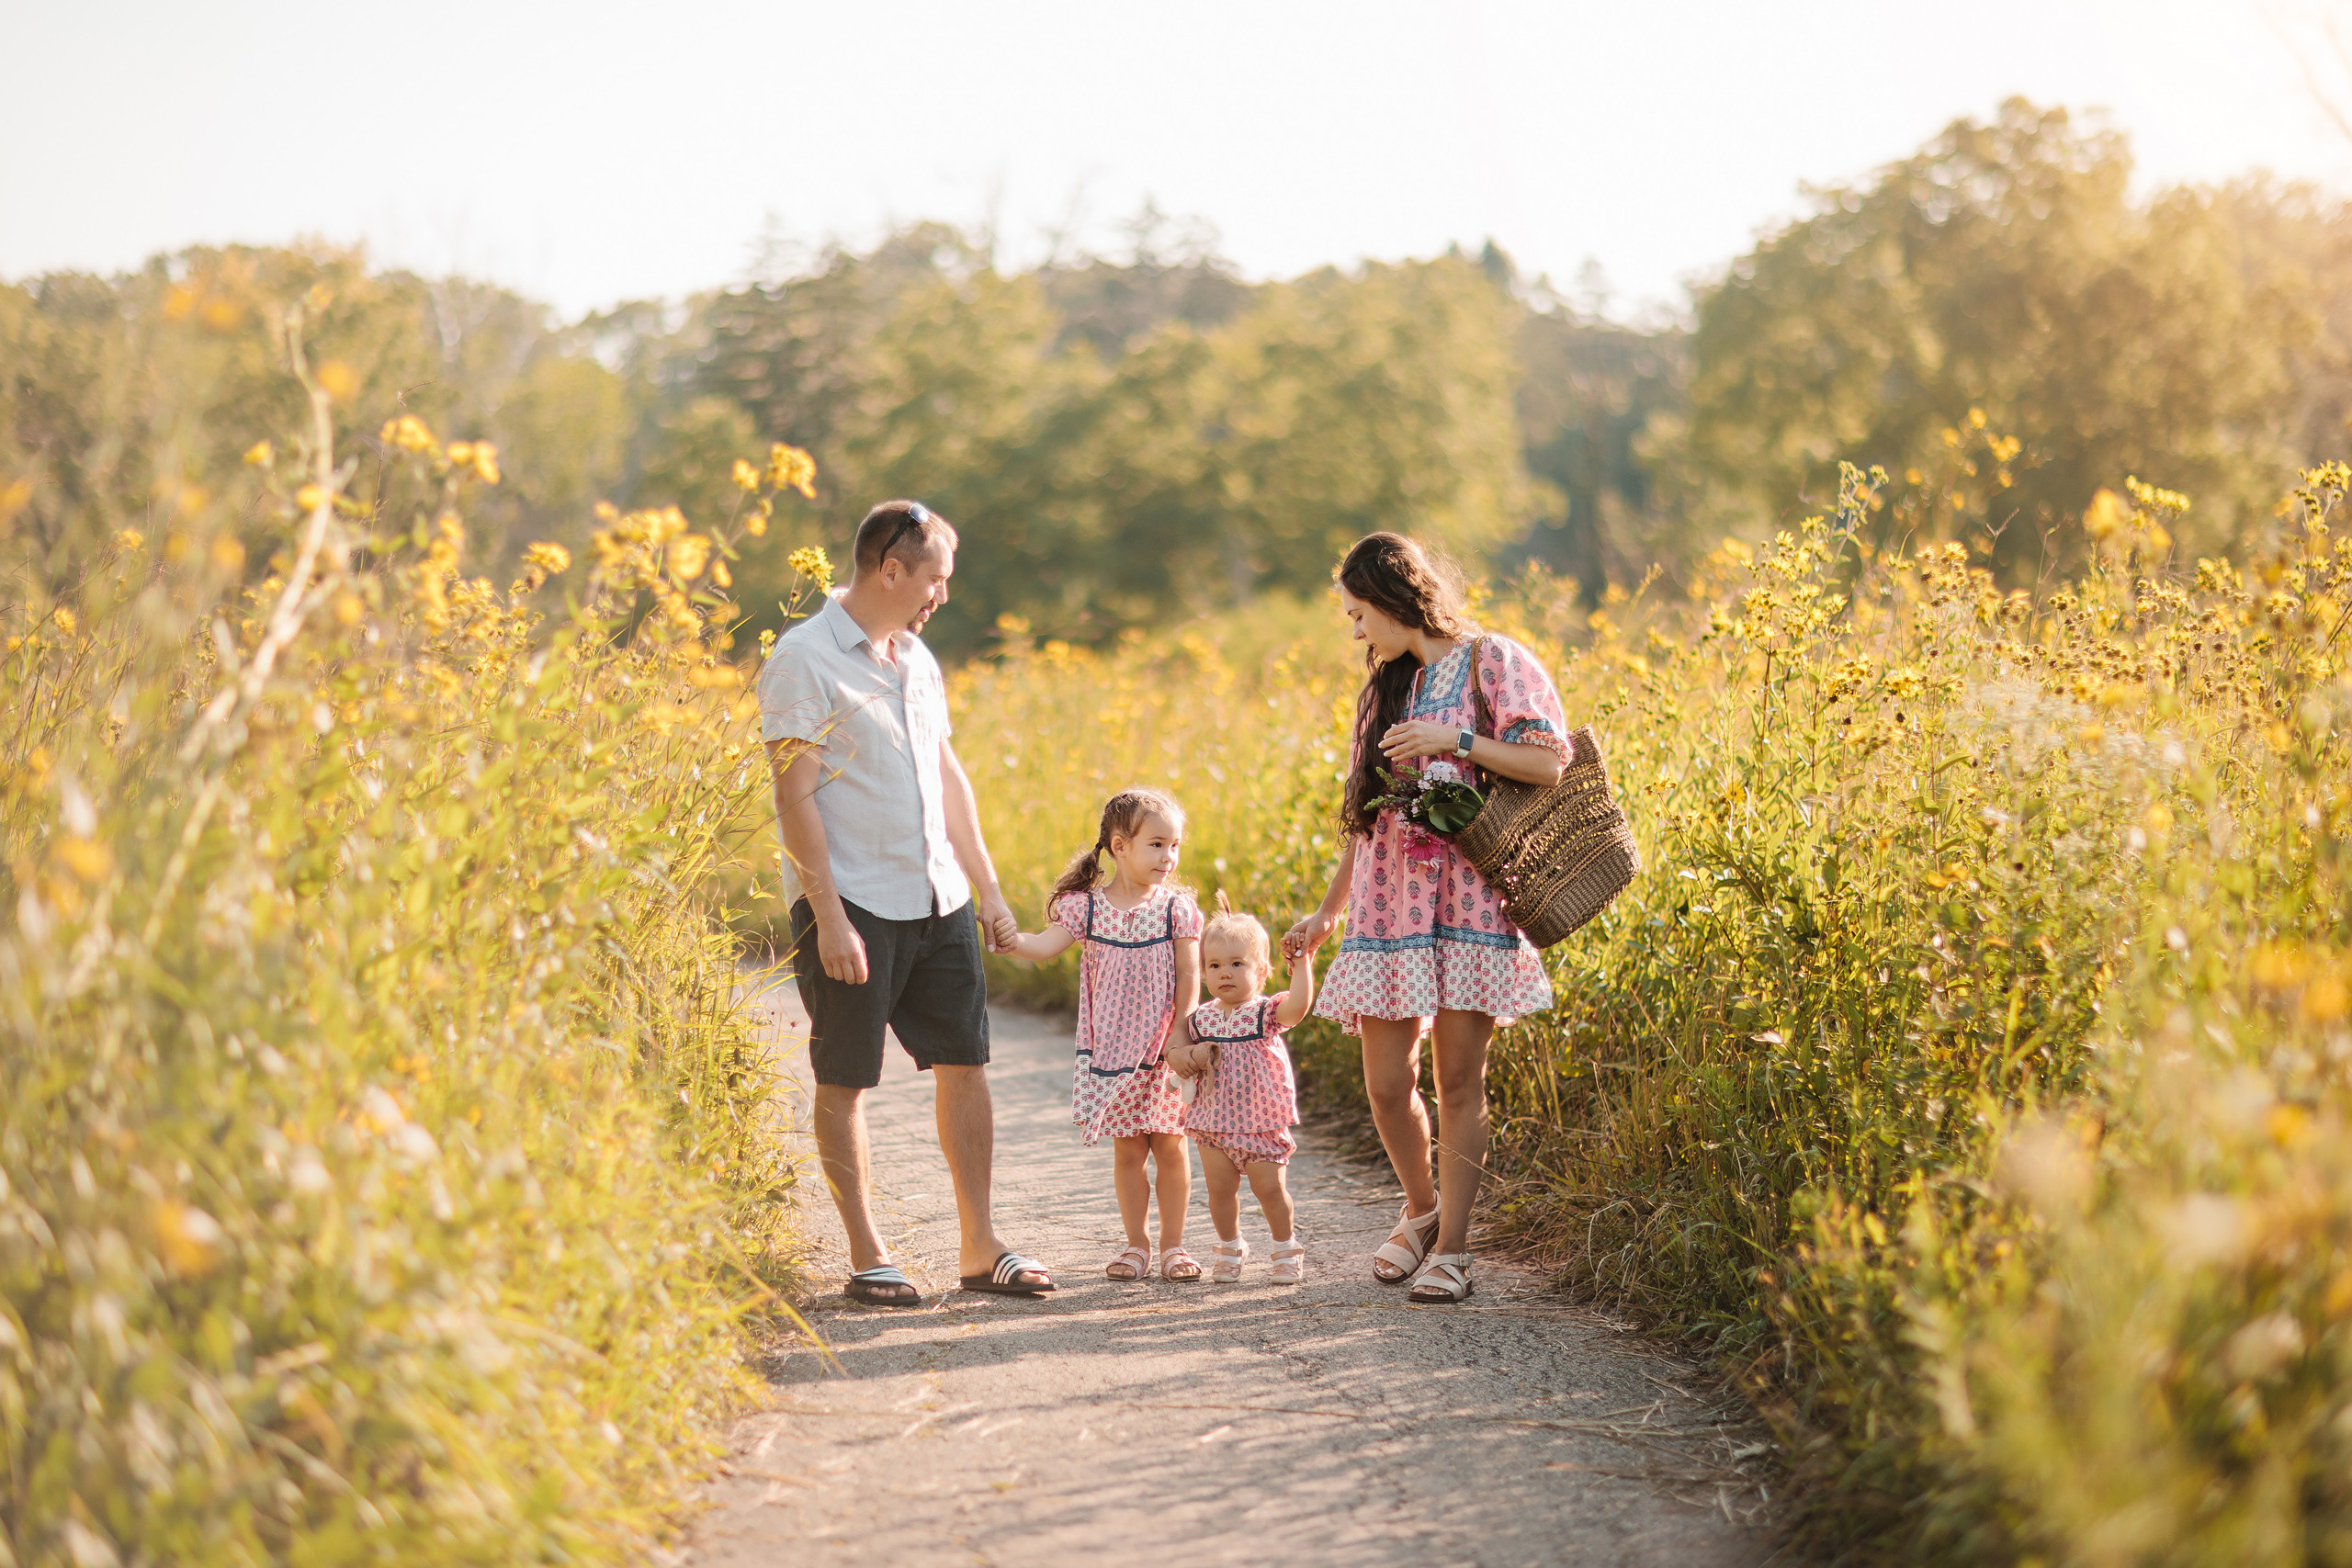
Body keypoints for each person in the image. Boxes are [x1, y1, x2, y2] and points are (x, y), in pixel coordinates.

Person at [759, 499, 1053, 1304]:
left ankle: (979, 1244)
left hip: (938, 897)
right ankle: (867, 1251)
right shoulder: (802, 658)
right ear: (891, 569)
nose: (941, 595)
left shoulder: (917, 659)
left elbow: (947, 778)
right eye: (935, 578)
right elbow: (794, 797)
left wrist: (987, 889)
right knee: (845, 1076)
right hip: (854, 901)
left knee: (967, 1063)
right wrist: (829, 915)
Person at [1283, 532, 1570, 1304]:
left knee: (1458, 1079)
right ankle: (1421, 1208)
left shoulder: (1494, 660)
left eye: (1357, 613)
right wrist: (1325, 911)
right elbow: (1363, 818)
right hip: (1386, 910)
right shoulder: (1382, 690)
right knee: (1384, 1084)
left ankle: (1453, 1249)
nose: (1355, 632)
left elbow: (1550, 760)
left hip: (1469, 903)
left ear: (1392, 598)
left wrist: (1457, 740)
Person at [1001, 789, 1204, 1282]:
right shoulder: (1086, 909)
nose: (1168, 857)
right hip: (1112, 1053)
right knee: (1130, 1151)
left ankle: (1175, 1247)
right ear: (1119, 846)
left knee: (1172, 1148)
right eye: (1156, 844)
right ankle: (1137, 1244)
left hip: (1164, 1051)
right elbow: (1044, 946)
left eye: (1174, 846)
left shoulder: (1176, 909)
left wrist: (1182, 1034)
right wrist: (1007, 939)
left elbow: (1190, 974)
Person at [1172, 896, 1311, 1284]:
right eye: (1214, 965)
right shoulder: (1201, 1018)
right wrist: (1182, 1056)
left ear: (1262, 970)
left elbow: (1298, 1007)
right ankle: (1230, 1246)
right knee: (1219, 1190)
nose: (1225, 973)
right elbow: (1182, 1048)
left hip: (1260, 1120)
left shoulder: (1265, 1012)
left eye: (1237, 963)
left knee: (1269, 1188)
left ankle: (1285, 1247)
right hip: (1213, 1120)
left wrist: (1302, 965)